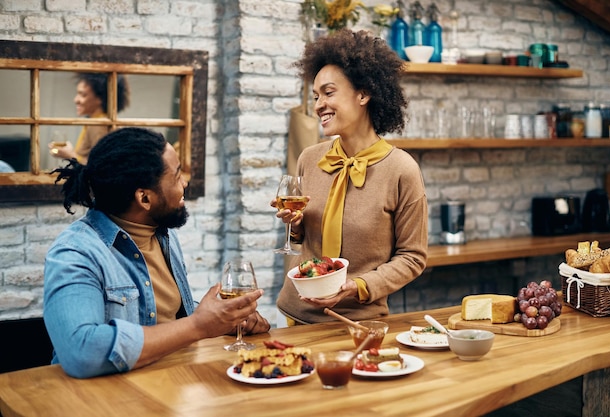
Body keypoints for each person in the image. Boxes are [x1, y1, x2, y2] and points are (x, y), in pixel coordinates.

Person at [44, 127, 269, 378]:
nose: (184, 183)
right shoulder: (76, 253)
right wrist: (199, 325)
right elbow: (81, 352)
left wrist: (225, 320)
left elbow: (164, 316)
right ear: (145, 198)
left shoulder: (162, 234)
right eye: (176, 176)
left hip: (166, 381)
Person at [273, 29, 428, 325]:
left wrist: (357, 287)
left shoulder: (401, 170)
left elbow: (412, 257)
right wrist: (294, 225)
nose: (318, 104)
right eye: (316, 95)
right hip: (296, 317)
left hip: (359, 322)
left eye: (329, 93)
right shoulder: (310, 158)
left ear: (363, 93)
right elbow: (304, 241)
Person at [48, 73, 130, 164]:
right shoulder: (95, 121)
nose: (76, 100)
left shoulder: (98, 124)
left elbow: (101, 165)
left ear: (100, 98)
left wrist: (70, 155)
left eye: (83, 95)